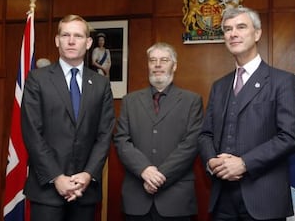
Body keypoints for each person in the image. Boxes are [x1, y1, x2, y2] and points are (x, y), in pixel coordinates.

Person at [198, 7, 295, 221]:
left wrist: (244, 163)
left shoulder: (282, 81)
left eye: (241, 27)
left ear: (257, 34)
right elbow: (205, 135)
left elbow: (290, 137)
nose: (233, 33)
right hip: (222, 200)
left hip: (264, 200)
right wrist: (211, 162)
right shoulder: (219, 86)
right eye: (227, 29)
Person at [21, 14, 115, 221]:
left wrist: (88, 174)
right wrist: (57, 177)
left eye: (78, 36)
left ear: (88, 42)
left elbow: (104, 135)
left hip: (85, 190)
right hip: (46, 189)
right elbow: (32, 132)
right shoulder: (37, 79)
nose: (71, 41)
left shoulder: (100, 84)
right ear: (57, 40)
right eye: (66, 35)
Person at [113, 42, 204, 221]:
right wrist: (144, 170)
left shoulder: (191, 101)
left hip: (176, 200)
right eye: (153, 60)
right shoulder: (130, 101)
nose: (157, 65)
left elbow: (191, 144)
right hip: (136, 198)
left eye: (164, 60)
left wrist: (159, 176)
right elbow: (121, 140)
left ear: (174, 65)